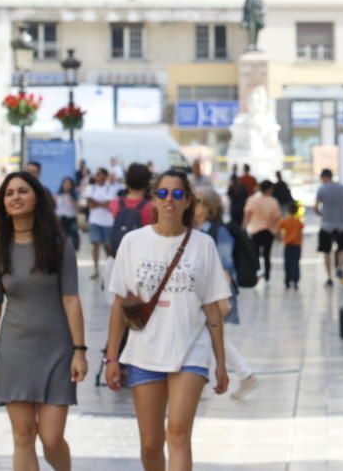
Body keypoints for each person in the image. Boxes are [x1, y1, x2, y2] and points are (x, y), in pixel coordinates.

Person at [105, 170, 231, 471]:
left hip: (190, 349)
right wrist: (112, 358)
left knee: (177, 432)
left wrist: (221, 363)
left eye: (177, 194)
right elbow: (120, 304)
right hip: (144, 351)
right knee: (150, 442)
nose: (169, 200)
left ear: (188, 201)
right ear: (153, 199)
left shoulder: (203, 245)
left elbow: (213, 310)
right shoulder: (133, 242)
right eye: (163, 193)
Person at [0, 171, 87, 471]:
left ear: (37, 197)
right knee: (23, 436)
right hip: (15, 352)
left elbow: (71, 300)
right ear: (3, 203)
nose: (15, 197)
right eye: (9, 193)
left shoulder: (60, 246)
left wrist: (80, 350)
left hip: (57, 351)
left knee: (51, 439)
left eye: (22, 191)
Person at [195, 191, 259, 400]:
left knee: (213, 334)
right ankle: (239, 375)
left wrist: (223, 297)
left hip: (217, 290)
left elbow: (225, 265)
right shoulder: (200, 230)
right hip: (205, 290)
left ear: (208, 208)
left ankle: (242, 374)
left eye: (198, 203)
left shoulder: (218, 231)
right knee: (210, 334)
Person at [106, 163, 154, 288]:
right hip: (142, 262)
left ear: (127, 181)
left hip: (117, 258)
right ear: (147, 182)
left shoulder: (115, 203)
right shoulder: (151, 207)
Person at [314, 169, 343, 287]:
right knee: (342, 248)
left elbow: (316, 208)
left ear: (323, 177)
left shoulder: (322, 189)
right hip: (341, 224)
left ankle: (329, 277)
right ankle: (340, 266)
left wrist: (322, 214)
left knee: (326, 251)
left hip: (326, 225)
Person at [243, 180, 281, 282]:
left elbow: (247, 216)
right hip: (269, 231)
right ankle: (267, 274)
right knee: (267, 254)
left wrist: (243, 228)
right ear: (269, 189)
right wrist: (277, 232)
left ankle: (257, 270)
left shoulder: (252, 200)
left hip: (255, 230)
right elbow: (277, 218)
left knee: (255, 252)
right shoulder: (273, 201)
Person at [85, 168, 116, 280]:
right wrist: (101, 204)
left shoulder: (110, 188)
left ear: (105, 176)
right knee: (95, 244)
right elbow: (90, 204)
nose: (98, 176)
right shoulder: (91, 188)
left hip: (107, 221)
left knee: (107, 246)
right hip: (95, 220)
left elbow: (109, 204)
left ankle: (110, 269)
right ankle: (96, 270)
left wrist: (96, 203)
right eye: (97, 174)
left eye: (100, 174)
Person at [278, 202, 303, 289]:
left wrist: (280, 238)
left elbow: (279, 228)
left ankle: (287, 281)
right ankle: (295, 280)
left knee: (287, 263)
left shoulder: (285, 221)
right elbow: (301, 228)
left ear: (288, 211)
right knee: (296, 263)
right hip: (297, 245)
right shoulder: (298, 221)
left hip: (288, 245)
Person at [55, 177, 80, 254]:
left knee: (72, 238)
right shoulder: (57, 196)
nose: (67, 186)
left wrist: (72, 200)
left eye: (69, 184)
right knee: (60, 239)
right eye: (65, 184)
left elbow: (79, 209)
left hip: (71, 219)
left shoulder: (74, 195)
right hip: (60, 220)